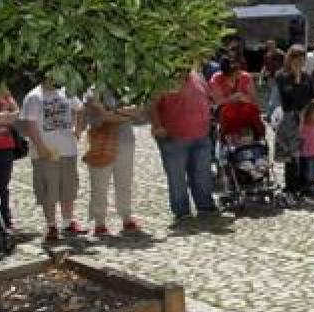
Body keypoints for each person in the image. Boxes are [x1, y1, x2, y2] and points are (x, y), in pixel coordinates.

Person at [151, 67, 218, 223]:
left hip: (201, 136)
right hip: (174, 138)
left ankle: (205, 205)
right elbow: (152, 104)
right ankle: (182, 211)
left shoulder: (197, 75)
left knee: (202, 175)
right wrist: (157, 125)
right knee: (177, 178)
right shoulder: (164, 78)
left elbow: (208, 97)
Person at [22, 80, 84, 242]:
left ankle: (67, 222)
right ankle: (51, 226)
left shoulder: (66, 91)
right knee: (49, 190)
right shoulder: (34, 97)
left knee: (68, 188)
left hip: (68, 150)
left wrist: (77, 130)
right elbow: (30, 125)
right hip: (47, 152)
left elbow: (80, 109)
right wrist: (41, 148)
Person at [82, 90, 142, 236]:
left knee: (124, 182)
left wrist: (113, 113)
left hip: (125, 142)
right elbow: (105, 117)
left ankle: (126, 217)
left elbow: (138, 111)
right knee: (99, 184)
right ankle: (99, 222)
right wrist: (124, 113)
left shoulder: (127, 90)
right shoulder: (92, 93)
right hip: (101, 143)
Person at [274, 45, 314, 194]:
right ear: (290, 58)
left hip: (305, 116)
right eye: (296, 58)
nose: (300, 62)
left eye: (302, 59)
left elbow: (310, 96)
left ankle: (304, 182)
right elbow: (288, 97)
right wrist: (296, 79)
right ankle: (290, 185)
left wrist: (306, 113)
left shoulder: (307, 77)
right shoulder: (281, 76)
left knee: (305, 151)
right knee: (290, 155)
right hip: (289, 117)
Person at [209, 54, 262, 138]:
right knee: (227, 112)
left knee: (252, 111)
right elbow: (218, 101)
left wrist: (246, 99)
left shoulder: (246, 77)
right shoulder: (216, 79)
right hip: (226, 114)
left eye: (238, 71)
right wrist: (235, 97)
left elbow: (254, 99)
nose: (238, 74)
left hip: (245, 112)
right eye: (233, 73)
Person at [0, 88, 20, 234]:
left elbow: (16, 113)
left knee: (2, 185)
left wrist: (1, 117)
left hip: (5, 146)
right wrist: (5, 117)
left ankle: (4, 221)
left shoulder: (2, 88)